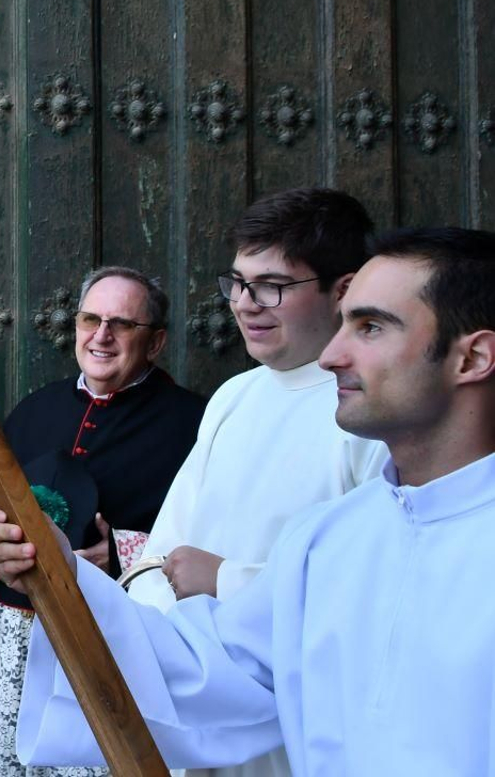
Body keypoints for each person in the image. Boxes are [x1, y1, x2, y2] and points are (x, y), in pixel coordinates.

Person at [0, 227, 495, 775]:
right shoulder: (328, 539)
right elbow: (208, 670)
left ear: (473, 357)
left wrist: (220, 575)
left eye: (371, 327)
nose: (331, 356)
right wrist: (64, 576)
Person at [118, 187, 387, 777]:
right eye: (238, 283)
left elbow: (376, 586)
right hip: (199, 703)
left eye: (272, 286)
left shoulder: (372, 415)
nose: (244, 304)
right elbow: (163, 553)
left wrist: (227, 581)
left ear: (343, 290)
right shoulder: (234, 396)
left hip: (300, 725)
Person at [0, 266, 206, 777]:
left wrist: (123, 552)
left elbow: (211, 536)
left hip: (118, 630)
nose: (101, 335)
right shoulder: (37, 407)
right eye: (91, 319)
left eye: (122, 324)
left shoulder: (192, 422)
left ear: (155, 342)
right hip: (23, 630)